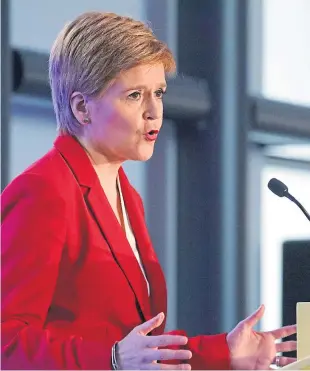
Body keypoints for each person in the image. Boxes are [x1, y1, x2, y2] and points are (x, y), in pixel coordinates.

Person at [1, 11, 297, 370]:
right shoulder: (43, 191)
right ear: (82, 108)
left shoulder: (128, 197)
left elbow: (140, 349)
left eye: (158, 92)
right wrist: (111, 359)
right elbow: (7, 343)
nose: (155, 111)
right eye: (134, 95)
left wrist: (224, 352)